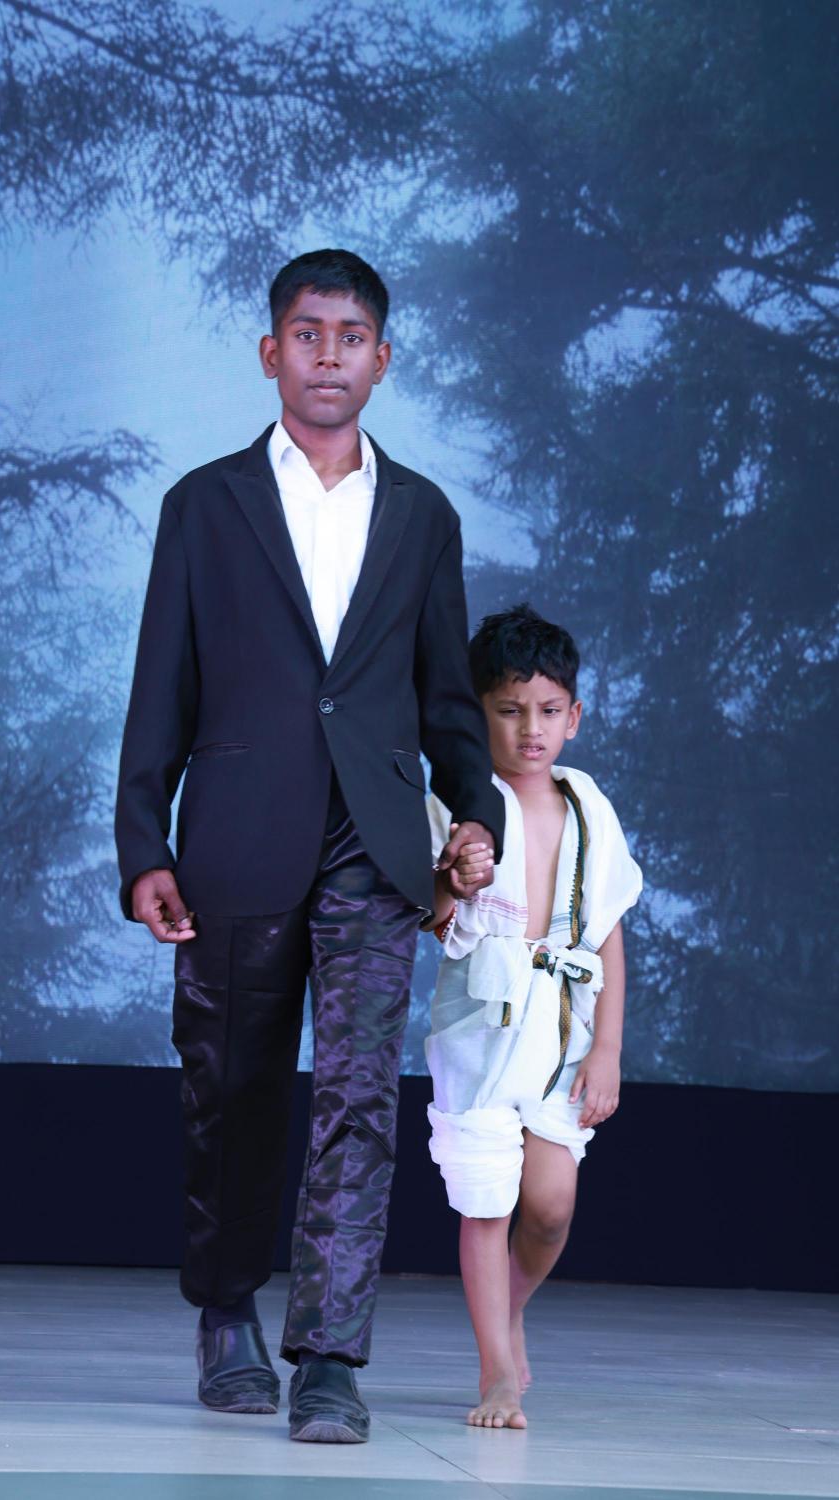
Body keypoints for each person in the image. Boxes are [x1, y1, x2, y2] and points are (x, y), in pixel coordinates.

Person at [114, 249, 504, 1444]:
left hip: (374, 845)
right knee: (229, 1087)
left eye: (350, 336)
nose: (327, 354)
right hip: (235, 836)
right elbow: (160, 686)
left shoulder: (423, 514)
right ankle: (225, 1310)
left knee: (357, 1100)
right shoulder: (205, 504)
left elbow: (446, 697)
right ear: (270, 351)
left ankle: (330, 1355)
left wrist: (474, 812)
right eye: (306, 332)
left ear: (382, 359)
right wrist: (142, 845)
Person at [425, 603, 642, 1431]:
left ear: (574, 717)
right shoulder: (459, 803)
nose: (530, 730)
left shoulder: (587, 805)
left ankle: (507, 1311)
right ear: (476, 715)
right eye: (509, 711)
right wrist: (454, 881)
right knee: (488, 1200)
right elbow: (433, 917)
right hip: (482, 1028)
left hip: (560, 1033)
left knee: (549, 1206)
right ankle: (497, 1377)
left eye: (548, 711)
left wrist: (608, 1047)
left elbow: (606, 931)